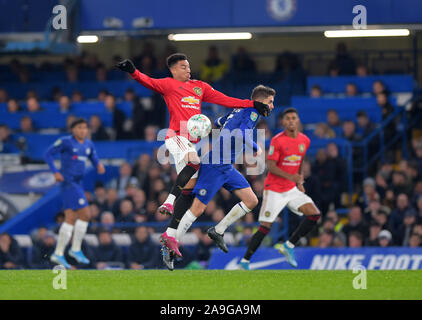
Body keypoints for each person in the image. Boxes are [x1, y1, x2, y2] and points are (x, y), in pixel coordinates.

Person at [116, 53, 270, 218]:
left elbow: (224, 100)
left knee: (189, 187)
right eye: (184, 67)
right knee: (194, 161)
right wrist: (133, 71)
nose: (188, 70)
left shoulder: (200, 87)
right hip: (177, 135)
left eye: (189, 66)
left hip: (192, 142)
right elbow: (147, 81)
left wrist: (252, 104)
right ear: (173, 70)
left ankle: (171, 233)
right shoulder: (168, 84)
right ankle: (168, 201)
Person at [160, 85, 275, 270]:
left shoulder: (238, 110)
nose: (272, 106)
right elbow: (240, 133)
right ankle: (170, 243)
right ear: (260, 101)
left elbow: (220, 121)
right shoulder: (252, 112)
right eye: (270, 102)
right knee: (197, 209)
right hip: (214, 165)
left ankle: (218, 230)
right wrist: (256, 147)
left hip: (226, 167)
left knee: (252, 200)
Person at [239, 107, 321, 270]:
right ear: (284, 122)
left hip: (291, 189)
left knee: (314, 214)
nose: (291, 121)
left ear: (298, 121)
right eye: (288, 118)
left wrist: (299, 183)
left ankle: (289, 245)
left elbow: (300, 162)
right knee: (265, 227)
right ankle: (245, 261)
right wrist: (292, 178)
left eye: (294, 118)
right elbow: (271, 166)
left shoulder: (305, 140)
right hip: (274, 189)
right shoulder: (278, 140)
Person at [44, 118, 105, 269]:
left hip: (78, 183)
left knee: (70, 218)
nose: (83, 130)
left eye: (85, 128)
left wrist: (98, 164)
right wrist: (55, 172)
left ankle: (59, 253)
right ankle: (75, 249)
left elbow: (92, 155)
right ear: (73, 129)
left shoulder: (88, 144)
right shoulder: (66, 141)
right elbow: (48, 154)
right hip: (68, 183)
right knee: (85, 214)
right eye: (80, 128)